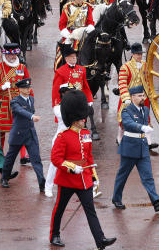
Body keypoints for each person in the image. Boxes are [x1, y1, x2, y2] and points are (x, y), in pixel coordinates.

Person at [50, 89, 116, 249]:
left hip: (84, 178)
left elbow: (89, 157)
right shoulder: (63, 136)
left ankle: (100, 240)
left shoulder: (86, 134)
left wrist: (93, 176)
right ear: (73, 119)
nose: (84, 119)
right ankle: (54, 235)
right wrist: (72, 168)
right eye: (81, 118)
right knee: (59, 208)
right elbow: (56, 159)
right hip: (67, 179)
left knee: (90, 210)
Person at [111, 86, 159, 211]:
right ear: (132, 97)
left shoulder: (146, 110)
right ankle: (116, 198)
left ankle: (156, 201)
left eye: (143, 95)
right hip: (130, 147)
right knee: (123, 175)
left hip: (142, 147)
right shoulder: (126, 111)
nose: (142, 98)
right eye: (139, 96)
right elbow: (128, 123)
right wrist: (141, 127)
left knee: (148, 176)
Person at [0, 78, 46, 192]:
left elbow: (31, 109)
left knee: (36, 158)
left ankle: (41, 182)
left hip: (30, 134)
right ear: (20, 89)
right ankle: (4, 178)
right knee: (10, 158)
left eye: (29, 87)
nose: (28, 89)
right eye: (25, 88)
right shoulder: (15, 101)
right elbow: (20, 111)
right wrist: (31, 116)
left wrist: (31, 116)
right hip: (18, 134)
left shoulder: (31, 99)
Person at [0, 42, 31, 151]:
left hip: (19, 101)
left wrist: (30, 100)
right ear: (5, 55)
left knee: (22, 128)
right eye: (10, 55)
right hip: (4, 102)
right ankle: (0, 154)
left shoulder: (22, 67)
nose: (12, 57)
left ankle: (23, 155)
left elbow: (28, 84)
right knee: (1, 130)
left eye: (14, 55)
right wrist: (2, 86)